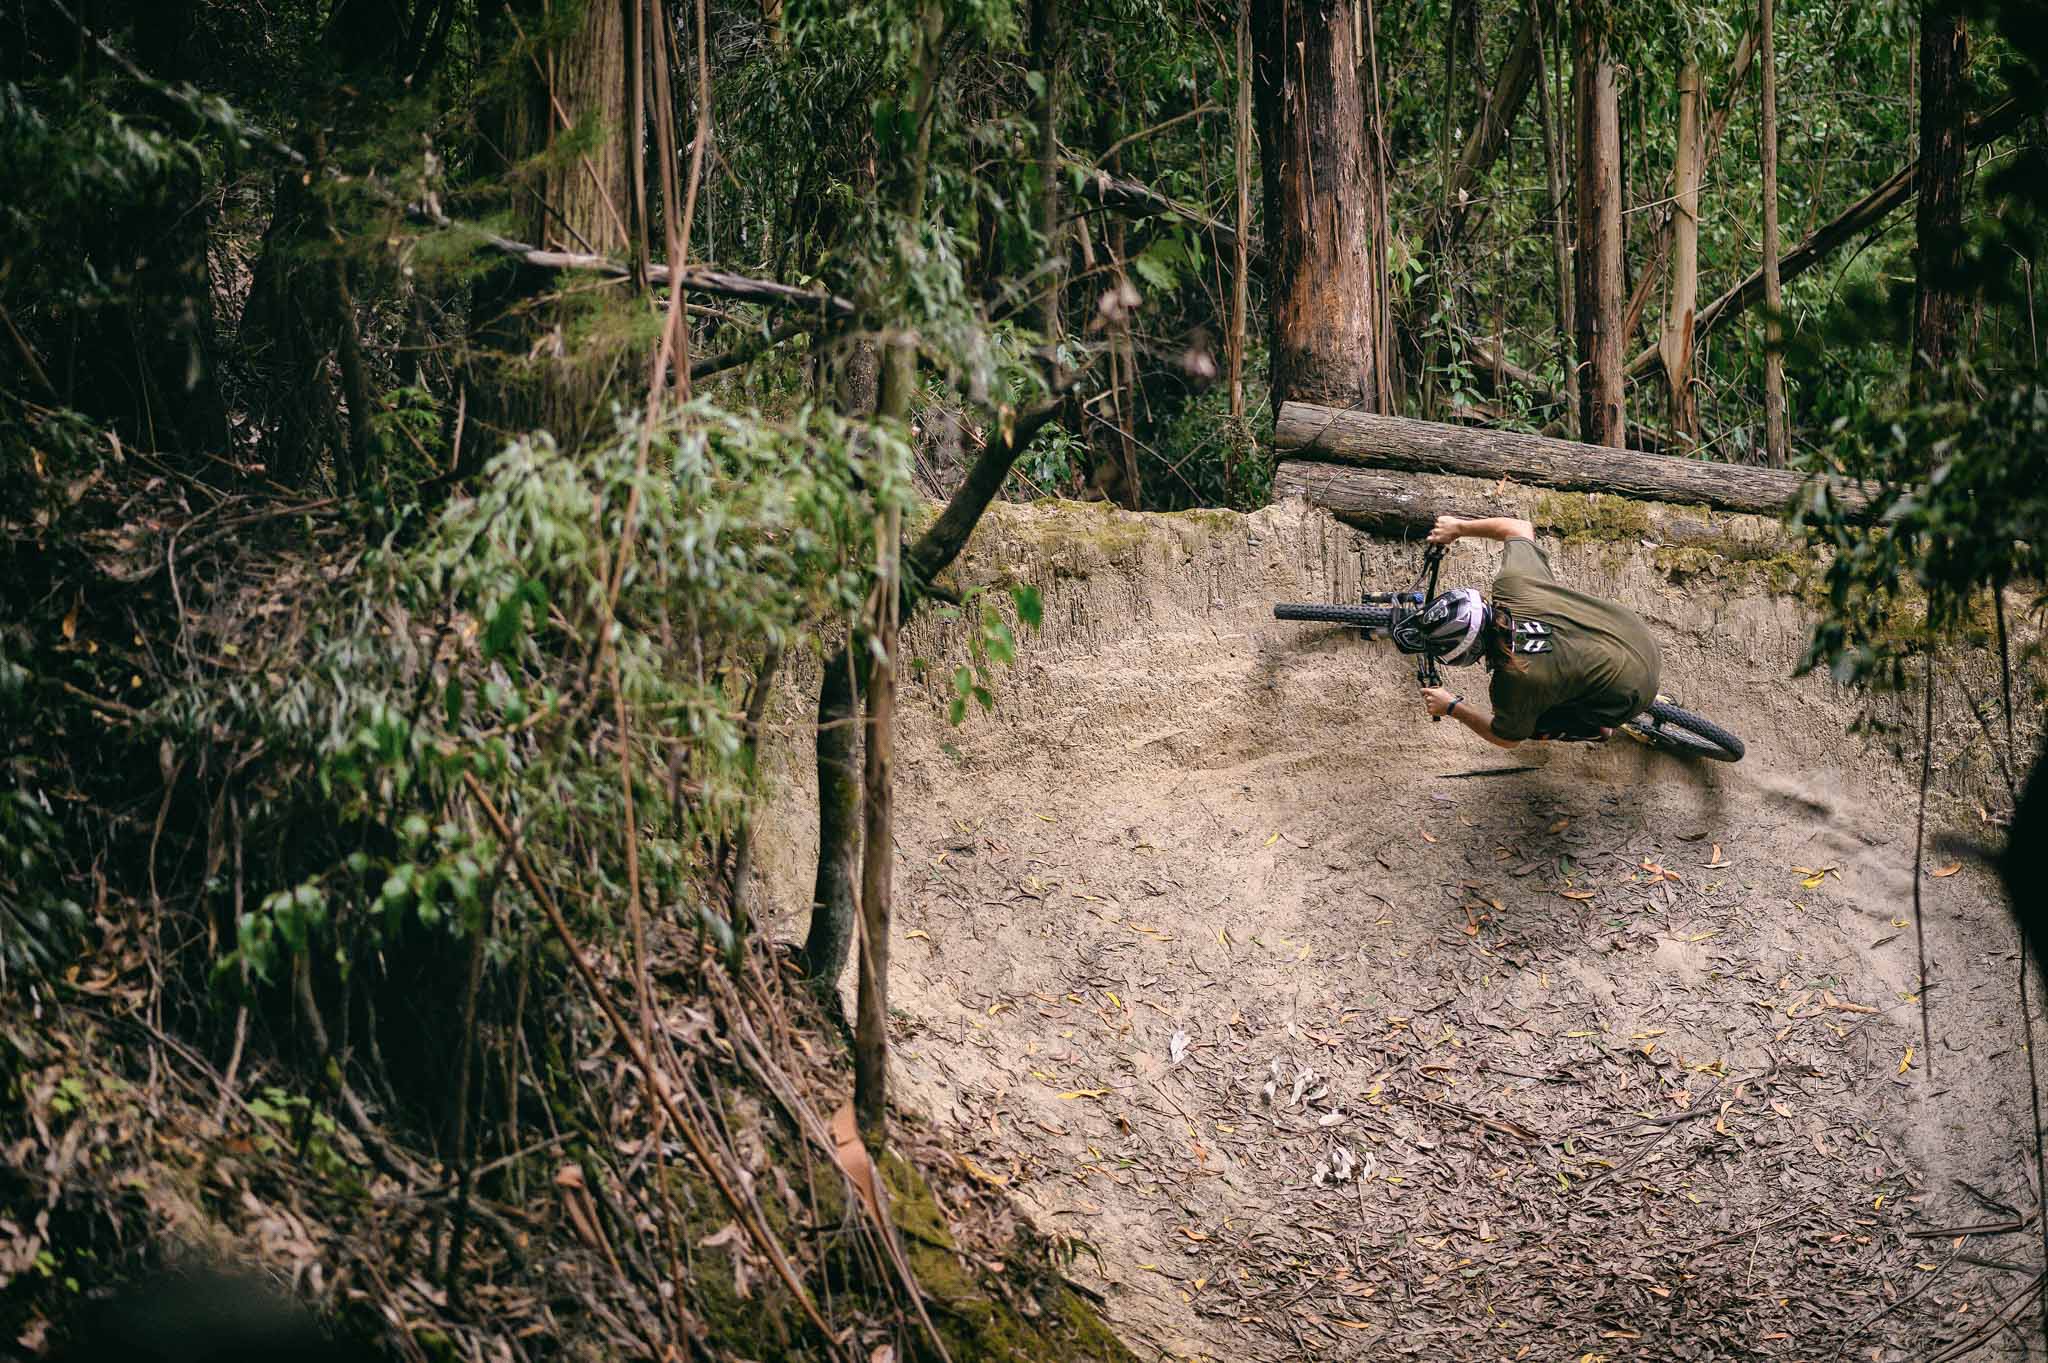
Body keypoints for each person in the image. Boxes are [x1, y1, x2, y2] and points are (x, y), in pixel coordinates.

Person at [1410, 514, 1661, 749]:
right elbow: (1518, 528)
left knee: (1528, 724)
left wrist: (1452, 707)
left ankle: (1598, 728)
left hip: (1634, 692)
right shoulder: (1514, 586)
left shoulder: (1512, 683)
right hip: (1638, 634)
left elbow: (1507, 738)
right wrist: (1458, 527)